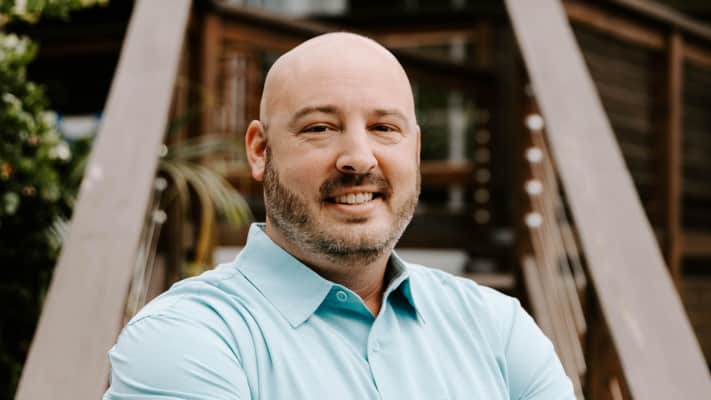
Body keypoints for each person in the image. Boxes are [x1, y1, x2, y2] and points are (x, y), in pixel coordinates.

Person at [104, 32, 574, 400]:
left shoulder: (497, 327)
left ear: (414, 150)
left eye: (383, 127)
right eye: (320, 128)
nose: (358, 158)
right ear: (260, 150)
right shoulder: (184, 339)